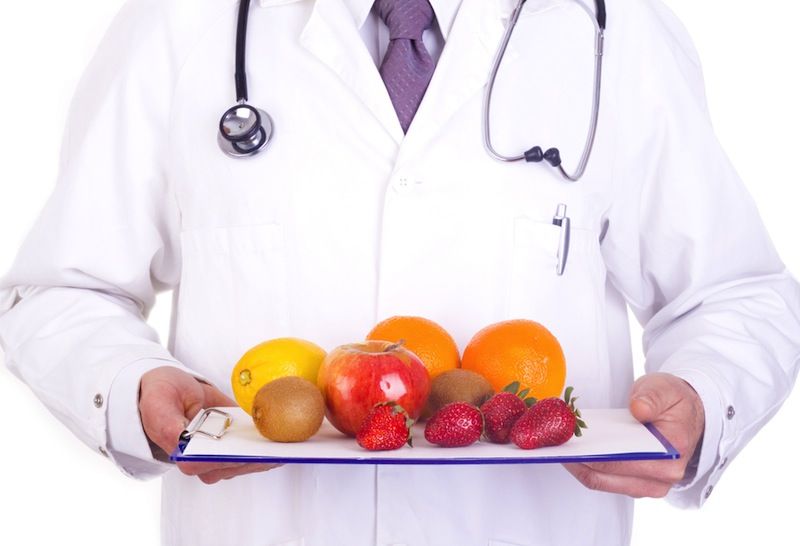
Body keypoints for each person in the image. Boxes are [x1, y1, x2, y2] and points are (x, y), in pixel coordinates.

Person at [1, 0, 798, 544]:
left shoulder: (607, 31)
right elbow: (59, 291)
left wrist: (700, 395)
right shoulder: (184, 25)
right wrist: (131, 387)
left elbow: (733, 292)